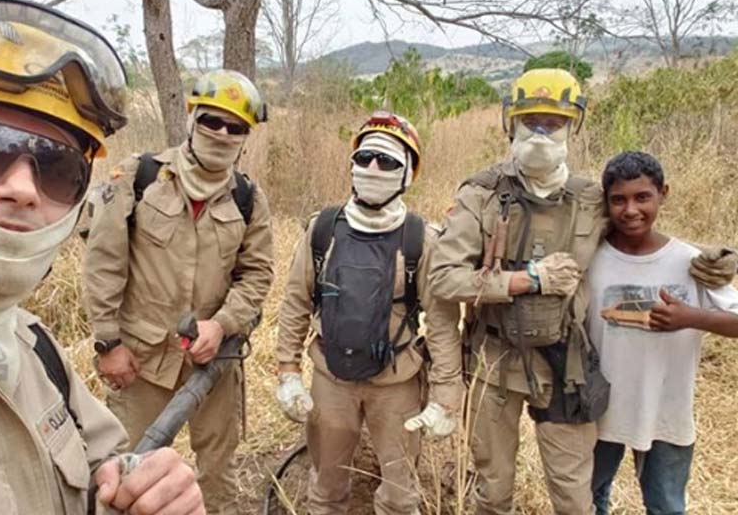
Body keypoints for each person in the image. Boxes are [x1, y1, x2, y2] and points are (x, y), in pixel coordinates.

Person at [0, 0, 203, 514]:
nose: (22, 188)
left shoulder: (35, 348)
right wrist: (110, 340)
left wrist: (147, 495)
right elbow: (107, 263)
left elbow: (107, 472)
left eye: (56, 166)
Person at [427, 68, 734, 515]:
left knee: (576, 497)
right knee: (493, 492)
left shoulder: (590, 198)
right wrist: (527, 280)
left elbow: (639, 229)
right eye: (529, 121)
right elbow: (443, 278)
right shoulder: (482, 194)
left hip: (564, 366)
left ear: (574, 125)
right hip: (493, 363)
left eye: (553, 123)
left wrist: (707, 257)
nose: (540, 134)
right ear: (508, 122)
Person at [84, 69, 275, 514]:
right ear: (192, 119)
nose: (222, 134)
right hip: (142, 359)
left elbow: (258, 276)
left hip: (213, 365)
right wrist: (108, 343)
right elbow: (103, 264)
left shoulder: (248, 198)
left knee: (218, 472)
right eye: (212, 121)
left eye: (235, 128)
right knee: (129, 472)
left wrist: (221, 324)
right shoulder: (138, 176)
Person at [274, 111, 464, 515]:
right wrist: (287, 371)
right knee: (325, 490)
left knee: (400, 495)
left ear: (407, 174)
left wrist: (447, 395)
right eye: (365, 158)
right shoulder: (322, 229)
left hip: (397, 384)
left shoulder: (421, 239)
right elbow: (295, 301)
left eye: (388, 161)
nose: (373, 168)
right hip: (330, 378)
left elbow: (443, 321)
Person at [588, 151, 738, 515]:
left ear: (663, 194)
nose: (630, 210)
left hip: (665, 411)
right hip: (598, 412)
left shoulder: (690, 262)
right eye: (618, 200)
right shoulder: (590, 258)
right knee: (588, 501)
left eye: (643, 197)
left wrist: (691, 317)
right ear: (606, 203)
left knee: (667, 505)